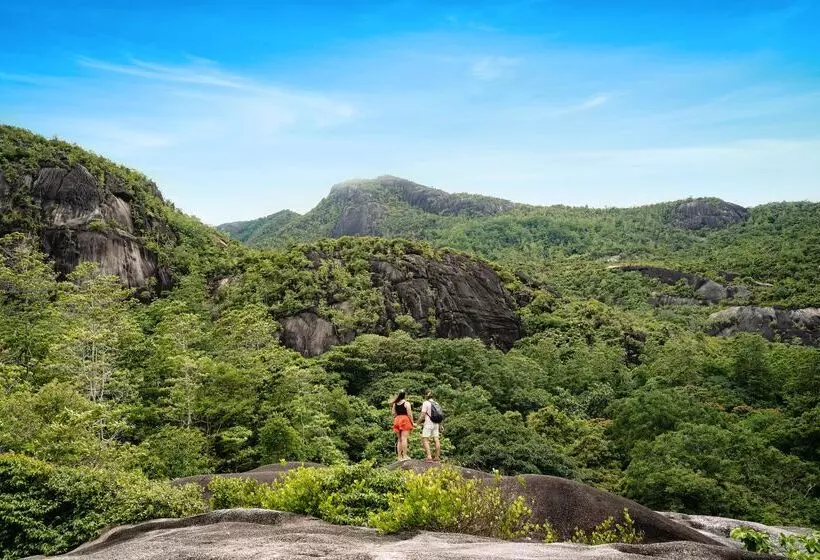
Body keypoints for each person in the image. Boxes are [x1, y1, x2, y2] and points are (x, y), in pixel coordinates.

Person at [418, 389, 441, 462]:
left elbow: (422, 415)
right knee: (436, 439)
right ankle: (437, 457)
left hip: (428, 423)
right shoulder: (436, 403)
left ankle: (429, 457)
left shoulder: (426, 403)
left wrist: (417, 423)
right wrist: (440, 425)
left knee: (425, 439)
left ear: (425, 395)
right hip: (436, 423)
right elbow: (440, 415)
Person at [391, 390, 414, 461]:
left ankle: (399, 457)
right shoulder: (407, 403)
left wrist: (397, 418)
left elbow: (393, 413)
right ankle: (405, 455)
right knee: (404, 438)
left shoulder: (395, 404)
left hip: (397, 420)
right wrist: (412, 422)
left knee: (399, 439)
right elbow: (409, 414)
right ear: (405, 395)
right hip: (405, 420)